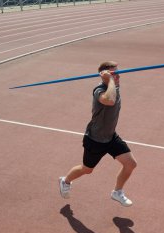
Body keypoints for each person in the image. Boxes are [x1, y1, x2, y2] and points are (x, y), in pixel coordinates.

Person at [59, 61, 137, 207]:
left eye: (118, 72)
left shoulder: (115, 87)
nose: (118, 75)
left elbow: (113, 95)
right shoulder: (99, 90)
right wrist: (110, 81)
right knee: (87, 169)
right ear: (105, 76)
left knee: (131, 164)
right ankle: (65, 181)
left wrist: (112, 80)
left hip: (110, 136)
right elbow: (109, 100)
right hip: (95, 139)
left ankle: (117, 192)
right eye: (114, 73)